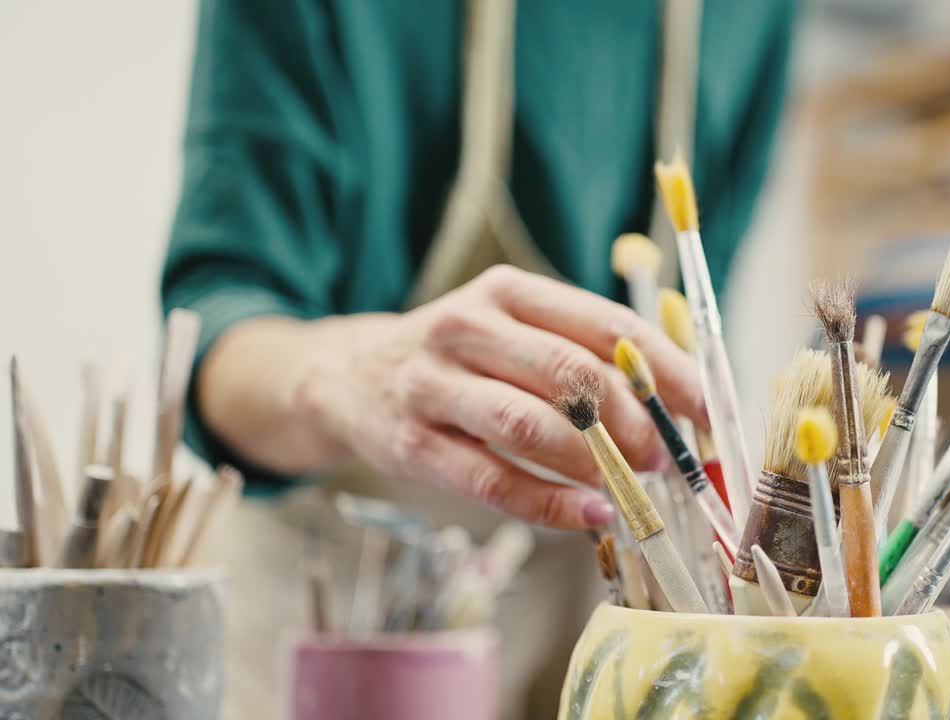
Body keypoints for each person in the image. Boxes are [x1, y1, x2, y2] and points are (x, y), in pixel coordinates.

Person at [162, 0, 793, 716]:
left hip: (623, 593)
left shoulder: (757, 13)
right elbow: (215, 332)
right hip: (345, 599)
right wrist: (347, 379)